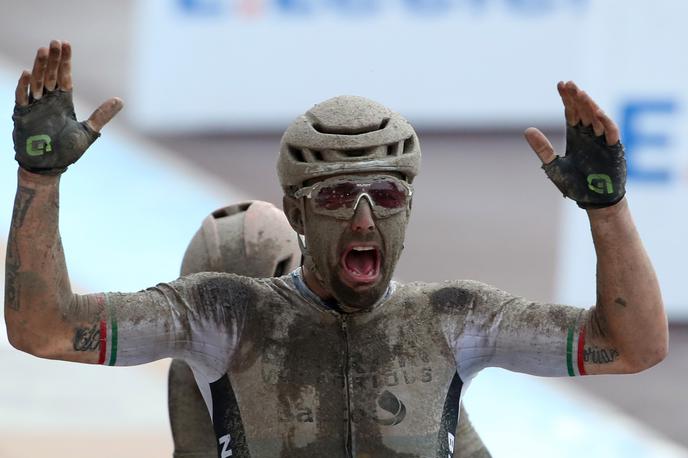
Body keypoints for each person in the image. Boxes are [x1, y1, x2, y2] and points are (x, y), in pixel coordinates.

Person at [5, 40, 667, 457]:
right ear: (294, 211)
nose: (361, 219)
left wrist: (606, 210)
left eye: (384, 195)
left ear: (408, 206)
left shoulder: (456, 318)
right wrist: (40, 179)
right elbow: (44, 329)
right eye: (333, 198)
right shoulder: (222, 315)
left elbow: (635, 346)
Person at [169, 201, 490, 457]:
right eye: (217, 325)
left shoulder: (392, 338)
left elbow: (465, 449)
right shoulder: (195, 363)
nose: (232, 349)